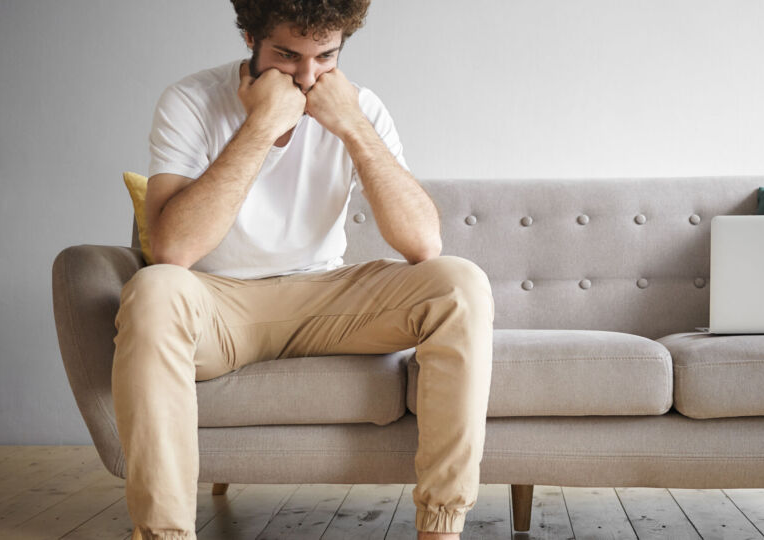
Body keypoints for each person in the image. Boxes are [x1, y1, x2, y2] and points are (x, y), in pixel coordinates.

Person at [112, 1, 494, 538]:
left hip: (325, 297)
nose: (309, 77)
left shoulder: (361, 106)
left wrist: (355, 127)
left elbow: (423, 242)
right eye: (287, 57)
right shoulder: (190, 100)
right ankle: (164, 535)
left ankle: (441, 527)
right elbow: (174, 250)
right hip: (217, 304)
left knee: (461, 283)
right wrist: (262, 124)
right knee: (153, 290)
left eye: (326, 57)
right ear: (250, 38)